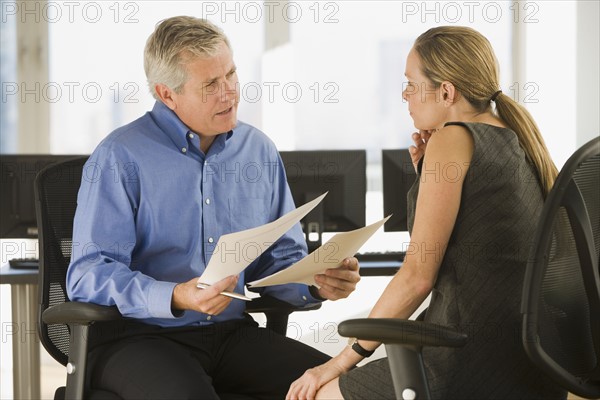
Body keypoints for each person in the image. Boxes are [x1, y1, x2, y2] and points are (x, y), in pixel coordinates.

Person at [66, 16, 361, 399]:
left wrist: (316, 282)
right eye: (210, 84)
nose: (229, 93)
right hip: (138, 338)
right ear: (167, 94)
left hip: (230, 334)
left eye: (231, 75)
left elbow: (279, 262)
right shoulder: (119, 157)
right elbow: (88, 274)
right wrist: (177, 296)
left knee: (340, 389)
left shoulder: (258, 150)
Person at [287, 26, 567, 400]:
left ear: (447, 92)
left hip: (467, 360)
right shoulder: (514, 137)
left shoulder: (454, 138)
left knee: (318, 396)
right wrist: (426, 177)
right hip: (533, 364)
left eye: (411, 83)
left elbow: (417, 278)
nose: (405, 95)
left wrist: (338, 362)